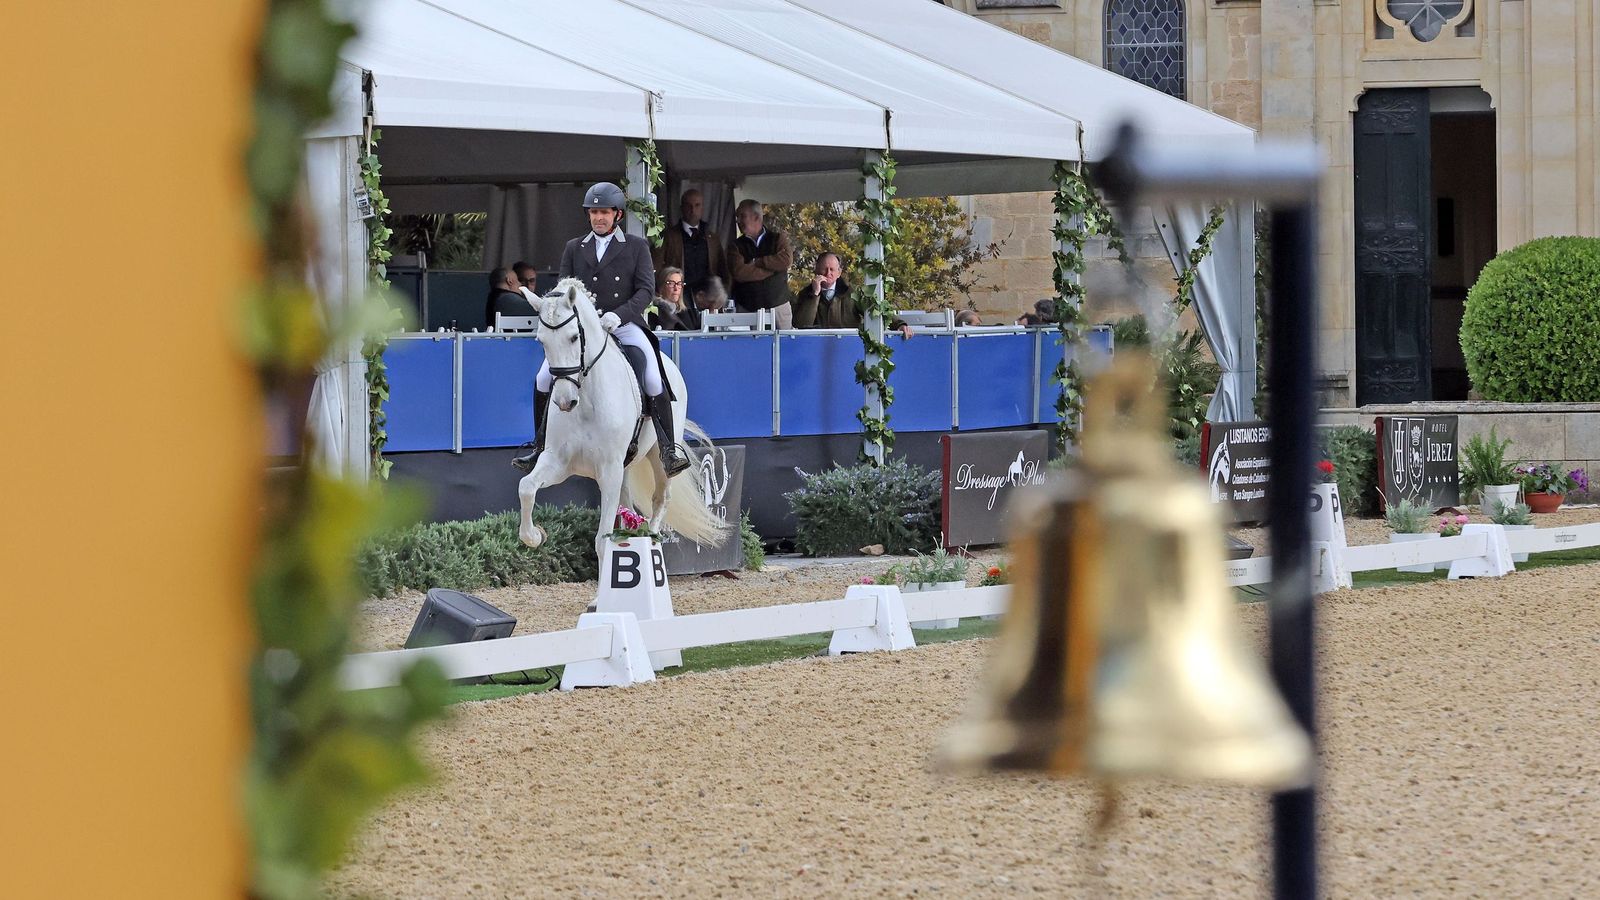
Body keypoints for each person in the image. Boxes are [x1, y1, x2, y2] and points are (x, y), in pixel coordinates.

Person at [512, 181, 689, 476]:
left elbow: (645, 291)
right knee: (543, 377)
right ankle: (539, 445)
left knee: (654, 377)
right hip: (583, 330)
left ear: (617, 215)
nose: (598, 218)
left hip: (624, 324)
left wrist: (618, 316)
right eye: (594, 212)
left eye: (604, 212)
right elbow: (563, 289)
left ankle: (669, 448)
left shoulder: (635, 246)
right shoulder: (574, 247)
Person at [791, 252, 913, 337]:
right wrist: (815, 295)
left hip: (848, 347)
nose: (828, 273)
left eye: (832, 269)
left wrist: (900, 325)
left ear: (839, 273)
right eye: (824, 269)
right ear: (816, 270)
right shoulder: (805, 295)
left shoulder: (851, 293)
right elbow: (800, 325)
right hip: (817, 349)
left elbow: (875, 309)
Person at [728, 199, 795, 329]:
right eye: (737, 217)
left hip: (779, 308)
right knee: (749, 348)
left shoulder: (777, 238)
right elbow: (739, 272)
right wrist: (773, 269)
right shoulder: (735, 246)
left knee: (784, 346)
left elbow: (786, 260)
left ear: (757, 217)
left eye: (742, 216)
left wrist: (758, 262)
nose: (738, 221)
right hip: (748, 308)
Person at [653, 189, 729, 293]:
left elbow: (722, 269)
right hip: (678, 295)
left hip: (707, 296)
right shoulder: (668, 236)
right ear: (681, 208)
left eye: (697, 205)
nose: (692, 210)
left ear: (702, 208)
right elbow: (655, 266)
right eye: (688, 205)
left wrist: (722, 296)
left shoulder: (712, 239)